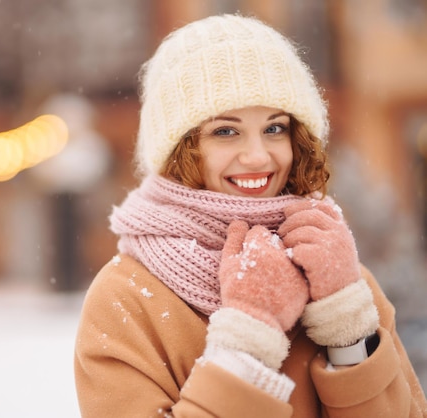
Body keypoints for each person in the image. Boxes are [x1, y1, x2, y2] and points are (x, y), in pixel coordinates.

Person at [73, 14, 427, 417]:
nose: (259, 156)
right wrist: (247, 343)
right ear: (180, 149)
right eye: (226, 131)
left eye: (275, 128)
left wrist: (347, 330)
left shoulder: (342, 277)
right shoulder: (126, 299)